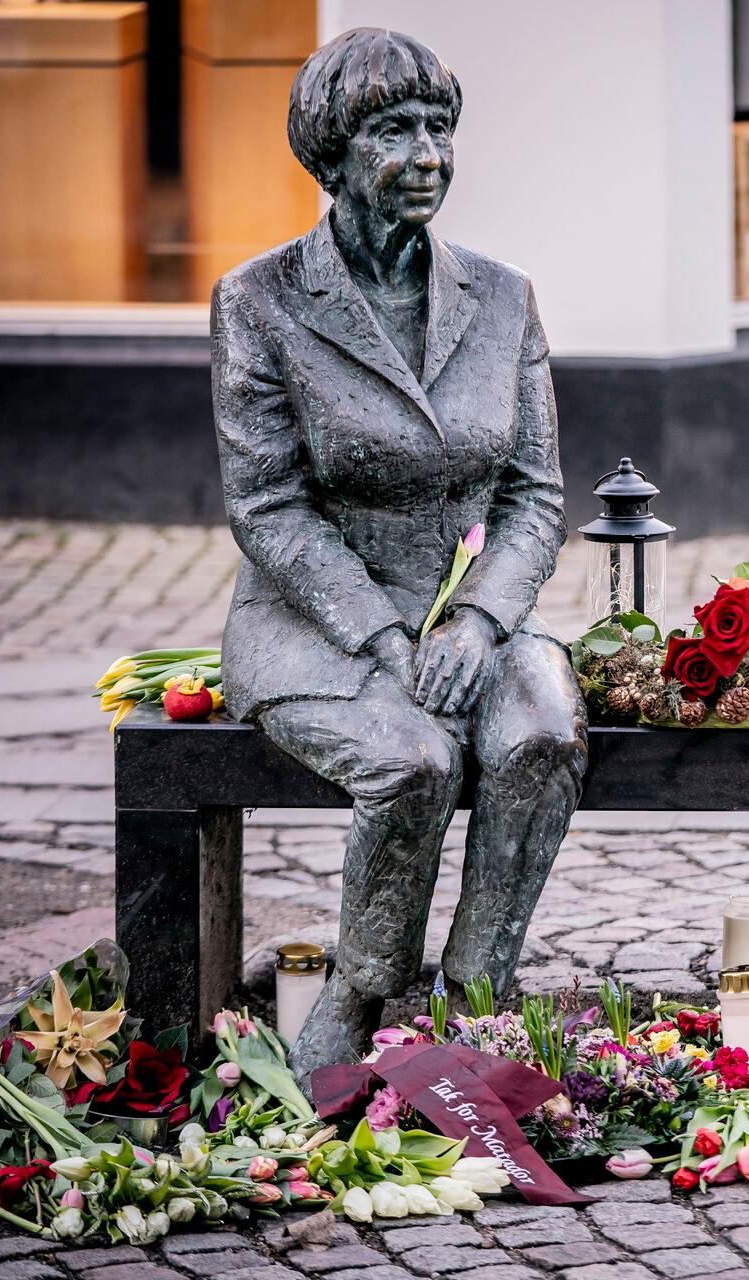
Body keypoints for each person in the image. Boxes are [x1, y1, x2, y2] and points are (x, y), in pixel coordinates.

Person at [210, 27, 586, 1075]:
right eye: (394, 131)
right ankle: (361, 988)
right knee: (414, 761)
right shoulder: (262, 302)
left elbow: (533, 492)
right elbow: (268, 505)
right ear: (334, 154)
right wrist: (383, 635)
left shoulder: (502, 297)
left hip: (471, 612)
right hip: (320, 628)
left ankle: (474, 1000)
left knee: (543, 735)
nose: (427, 154)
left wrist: (476, 618)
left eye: (439, 129)